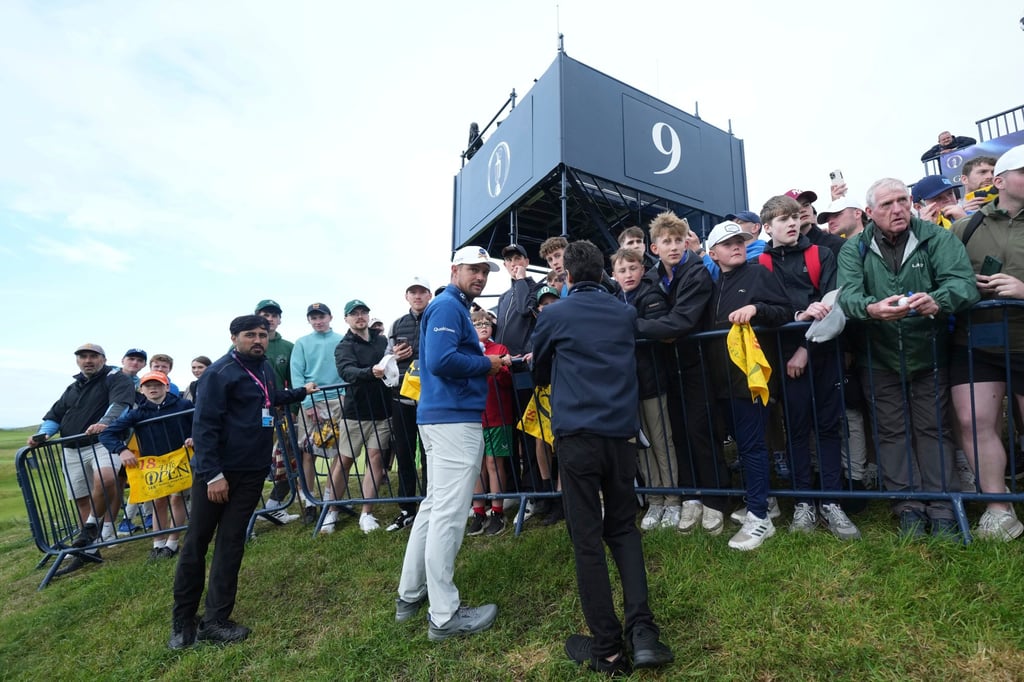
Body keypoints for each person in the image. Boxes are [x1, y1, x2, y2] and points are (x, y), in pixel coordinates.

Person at [532, 240, 674, 675]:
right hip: (620, 434)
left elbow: (538, 369)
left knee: (587, 539)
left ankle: (608, 649)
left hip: (577, 436)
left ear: (569, 277)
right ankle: (643, 634)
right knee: (624, 530)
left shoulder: (554, 314)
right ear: (604, 274)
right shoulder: (624, 312)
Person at [837, 178, 979, 538]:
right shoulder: (854, 249)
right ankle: (908, 506)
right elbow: (847, 296)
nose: (897, 209)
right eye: (886, 204)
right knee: (891, 432)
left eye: (902, 200)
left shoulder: (937, 237)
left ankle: (944, 505)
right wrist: (870, 308)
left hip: (928, 352)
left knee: (934, 429)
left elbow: (963, 283)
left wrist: (938, 300)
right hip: (878, 356)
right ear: (870, 213)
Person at [169, 315, 315, 649]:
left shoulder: (263, 367)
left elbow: (267, 398)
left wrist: (297, 394)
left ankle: (216, 620)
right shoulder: (218, 374)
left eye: (263, 334)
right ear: (234, 337)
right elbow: (203, 428)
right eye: (250, 335)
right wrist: (214, 475)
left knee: (232, 542)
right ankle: (182, 619)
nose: (258, 340)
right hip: (218, 474)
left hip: (252, 473)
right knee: (197, 543)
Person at [395, 245, 506, 642]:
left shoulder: (449, 306)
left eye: (485, 271)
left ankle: (409, 597)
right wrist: (487, 364)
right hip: (452, 419)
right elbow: (441, 361)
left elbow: (445, 359)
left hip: (444, 417)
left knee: (433, 509)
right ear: (455, 269)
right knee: (448, 515)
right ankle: (444, 616)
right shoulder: (448, 306)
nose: (480, 276)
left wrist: (487, 363)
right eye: (473, 269)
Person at [758, 195, 861, 540]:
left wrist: (804, 347)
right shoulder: (760, 263)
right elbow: (766, 310)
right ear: (767, 227)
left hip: (822, 356)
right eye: (783, 219)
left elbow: (834, 302)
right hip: (784, 362)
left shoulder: (822, 254)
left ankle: (831, 503)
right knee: (797, 430)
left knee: (829, 428)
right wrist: (797, 320)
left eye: (795, 217)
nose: (792, 223)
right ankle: (804, 502)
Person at [702, 221, 792, 550]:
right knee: (745, 446)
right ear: (713, 254)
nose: (737, 246)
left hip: (752, 380)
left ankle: (760, 518)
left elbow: (785, 312)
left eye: (739, 240)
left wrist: (757, 309)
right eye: (727, 243)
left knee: (753, 446)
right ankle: (764, 502)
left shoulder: (759, 274)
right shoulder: (713, 284)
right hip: (723, 382)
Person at [950, 144, 1024, 540]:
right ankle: (998, 508)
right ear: (999, 182)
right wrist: (962, 288)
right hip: (977, 341)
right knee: (973, 421)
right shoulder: (967, 227)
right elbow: (943, 279)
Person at [635, 211, 724, 535]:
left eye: (678, 240)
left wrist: (635, 327)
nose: (674, 246)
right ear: (654, 247)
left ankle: (715, 499)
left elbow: (681, 323)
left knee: (701, 431)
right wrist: (659, 330)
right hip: (668, 365)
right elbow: (662, 321)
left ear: (687, 242)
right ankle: (691, 497)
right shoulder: (652, 276)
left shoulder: (697, 273)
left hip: (697, 363)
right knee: (679, 433)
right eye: (666, 241)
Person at [30, 343, 137, 575]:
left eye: (93, 356)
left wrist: (105, 423)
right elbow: (55, 415)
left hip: (102, 441)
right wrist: (43, 434)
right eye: (83, 357)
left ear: (103, 358)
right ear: (77, 361)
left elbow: (120, 404)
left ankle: (90, 527)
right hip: (70, 448)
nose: (88, 360)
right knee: (81, 497)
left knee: (107, 478)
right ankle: (88, 548)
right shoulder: (73, 386)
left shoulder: (116, 378)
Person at [610, 247, 681, 531]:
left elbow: (660, 328)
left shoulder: (652, 295)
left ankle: (672, 500)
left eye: (633, 268)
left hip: (652, 381)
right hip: (627, 388)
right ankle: (654, 500)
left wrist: (627, 327)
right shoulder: (613, 301)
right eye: (622, 270)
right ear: (613, 275)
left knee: (662, 442)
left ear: (642, 268)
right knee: (640, 446)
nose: (628, 274)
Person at [99, 371, 193, 560]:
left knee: (177, 499)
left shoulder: (184, 405)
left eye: (157, 384)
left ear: (166, 387)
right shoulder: (138, 413)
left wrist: (195, 437)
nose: (153, 388)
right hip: (155, 465)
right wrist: (122, 450)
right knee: (159, 501)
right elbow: (107, 434)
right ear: (141, 390)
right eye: (148, 385)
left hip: (180, 461)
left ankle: (172, 543)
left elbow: (200, 424)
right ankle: (158, 544)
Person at [331, 298, 392, 534]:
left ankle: (367, 513)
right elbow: (347, 372)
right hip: (355, 414)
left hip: (383, 411)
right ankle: (332, 510)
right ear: (346, 319)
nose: (360, 317)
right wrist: (371, 372)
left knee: (376, 460)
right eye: (354, 314)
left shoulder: (382, 340)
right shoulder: (343, 346)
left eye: (363, 312)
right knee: (344, 462)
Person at [290, 302, 345, 525]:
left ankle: (330, 495)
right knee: (308, 451)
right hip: (311, 400)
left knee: (340, 450)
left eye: (321, 316)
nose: (318, 321)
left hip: (338, 400)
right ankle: (309, 499)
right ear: (309, 320)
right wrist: (306, 401)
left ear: (330, 317)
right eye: (313, 317)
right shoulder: (302, 343)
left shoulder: (341, 339)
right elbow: (296, 373)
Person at [386, 276, 432, 533]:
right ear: (407, 296)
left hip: (430, 398)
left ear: (428, 295)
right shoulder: (396, 324)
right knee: (404, 452)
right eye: (413, 292)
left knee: (429, 453)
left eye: (422, 292)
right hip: (401, 397)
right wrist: (393, 356)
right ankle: (406, 508)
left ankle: (429, 503)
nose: (417, 296)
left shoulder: (435, 316)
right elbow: (386, 361)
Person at [468, 309, 515, 537]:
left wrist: (498, 366)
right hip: (474, 417)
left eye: (487, 323)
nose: (483, 326)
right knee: (475, 465)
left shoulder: (501, 349)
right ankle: (478, 512)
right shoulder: (466, 352)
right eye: (477, 324)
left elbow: (507, 380)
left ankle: (497, 511)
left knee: (493, 463)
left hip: (498, 415)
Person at [702, 210, 765, 281]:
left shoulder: (764, 253)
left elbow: (718, 272)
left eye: (739, 222)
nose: (733, 226)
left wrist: (700, 252)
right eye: (727, 244)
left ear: (755, 227)